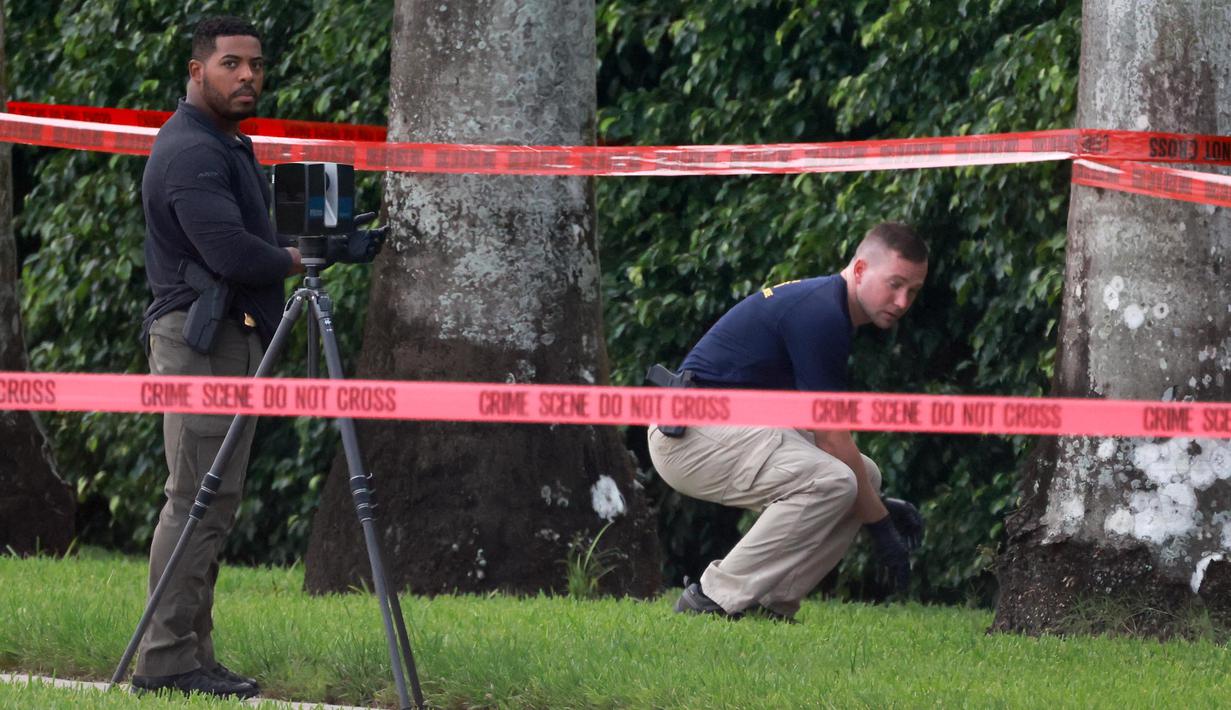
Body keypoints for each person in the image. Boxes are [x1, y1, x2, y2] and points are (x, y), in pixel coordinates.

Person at [134, 16, 382, 698]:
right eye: (231, 64)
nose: (248, 76)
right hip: (200, 342)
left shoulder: (226, 143)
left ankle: (189, 655)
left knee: (212, 504)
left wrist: (320, 240)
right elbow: (231, 253)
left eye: (256, 65)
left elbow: (252, 237)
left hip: (223, 336)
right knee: (195, 501)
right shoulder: (191, 151)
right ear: (196, 71)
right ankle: (165, 661)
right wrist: (308, 256)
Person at [647, 222, 928, 622]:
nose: (902, 302)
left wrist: (874, 503)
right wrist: (880, 526)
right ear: (860, 269)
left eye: (912, 291)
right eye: (895, 284)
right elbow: (831, 439)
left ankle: (770, 604)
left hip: (726, 429)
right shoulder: (822, 314)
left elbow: (825, 433)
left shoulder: (828, 307)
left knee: (865, 475)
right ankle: (711, 598)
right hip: (687, 437)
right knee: (834, 480)